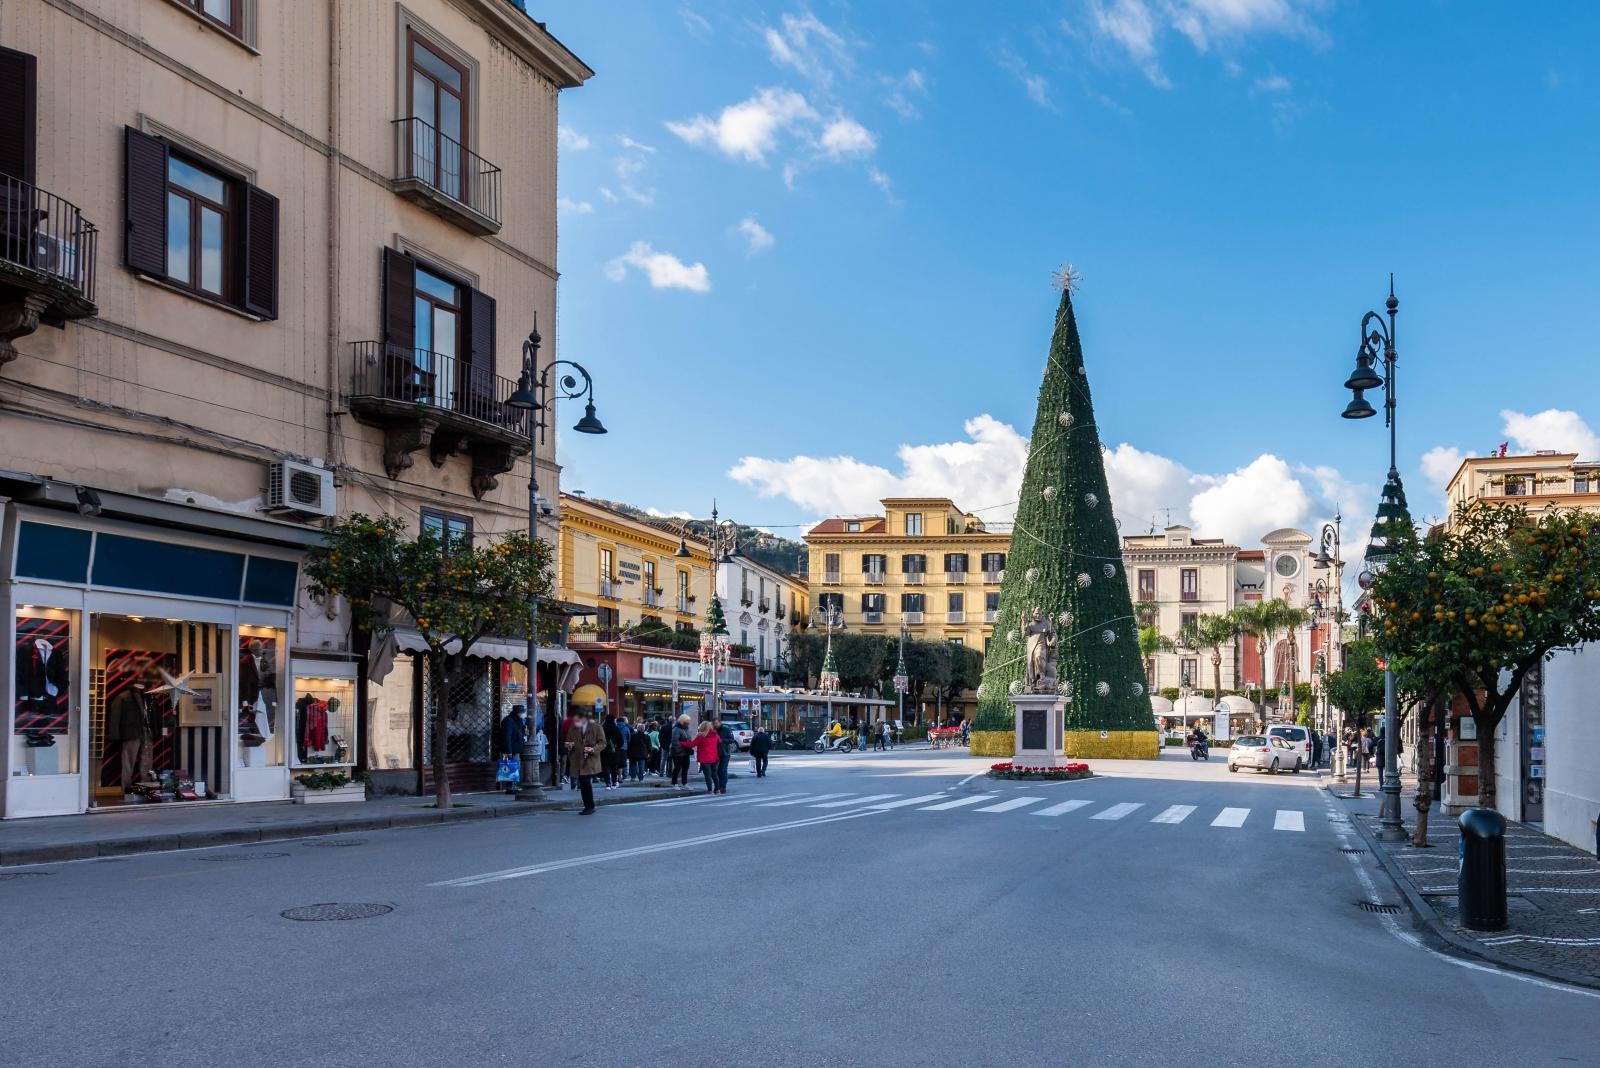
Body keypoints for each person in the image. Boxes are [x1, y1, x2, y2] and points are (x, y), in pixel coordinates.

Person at [565, 707, 607, 815]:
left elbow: (602, 743)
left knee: (585, 782)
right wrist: (569, 745)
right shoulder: (573, 728)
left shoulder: (596, 727)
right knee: (583, 783)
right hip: (578, 759)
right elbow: (569, 741)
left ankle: (589, 806)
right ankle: (588, 806)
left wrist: (593, 749)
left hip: (590, 759)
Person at [500, 704, 527, 793]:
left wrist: (524, 731)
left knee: (515, 767)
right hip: (512, 749)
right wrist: (508, 751)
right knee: (512, 767)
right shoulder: (509, 720)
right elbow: (507, 736)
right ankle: (510, 787)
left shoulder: (518, 720)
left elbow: (518, 733)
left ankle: (513, 786)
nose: (523, 714)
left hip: (516, 749)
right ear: (517, 713)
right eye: (521, 713)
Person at [689, 721, 721, 793]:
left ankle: (709, 789)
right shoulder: (715, 735)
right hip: (714, 757)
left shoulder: (701, 736)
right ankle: (717, 789)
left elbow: (691, 745)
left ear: (702, 727)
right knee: (714, 774)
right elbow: (720, 743)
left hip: (705, 758)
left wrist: (681, 743)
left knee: (707, 775)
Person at [670, 713, 694, 789]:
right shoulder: (676, 729)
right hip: (678, 753)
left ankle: (684, 783)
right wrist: (680, 749)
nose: (689, 723)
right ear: (683, 721)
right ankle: (674, 783)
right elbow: (675, 741)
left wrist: (689, 747)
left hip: (685, 752)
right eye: (687, 721)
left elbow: (688, 739)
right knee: (677, 768)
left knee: (685, 768)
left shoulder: (685, 728)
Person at [714, 717, 737, 794]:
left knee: (723, 770)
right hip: (715, 753)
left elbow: (731, 740)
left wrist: (722, 741)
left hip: (724, 752)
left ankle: (723, 786)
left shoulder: (726, 729)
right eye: (714, 723)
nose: (715, 725)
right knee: (716, 770)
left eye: (716, 723)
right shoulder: (712, 730)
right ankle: (718, 785)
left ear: (720, 723)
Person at [602, 713, 624, 789]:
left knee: (605, 767)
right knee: (613, 767)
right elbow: (621, 740)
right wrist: (618, 746)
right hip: (614, 750)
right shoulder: (616, 728)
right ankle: (614, 782)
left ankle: (607, 783)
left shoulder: (603, 728)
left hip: (604, 750)